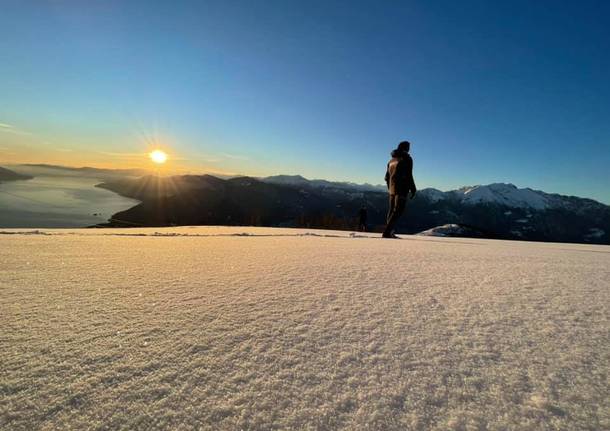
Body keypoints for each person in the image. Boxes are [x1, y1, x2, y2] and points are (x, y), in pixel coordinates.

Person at [383, 141, 417, 238]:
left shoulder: (391, 161)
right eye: (408, 147)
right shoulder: (407, 159)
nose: (409, 149)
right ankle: (387, 232)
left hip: (392, 189)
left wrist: (390, 188)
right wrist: (413, 188)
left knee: (391, 210)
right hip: (402, 188)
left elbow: (386, 177)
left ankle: (389, 232)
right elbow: (409, 175)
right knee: (398, 210)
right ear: (405, 148)